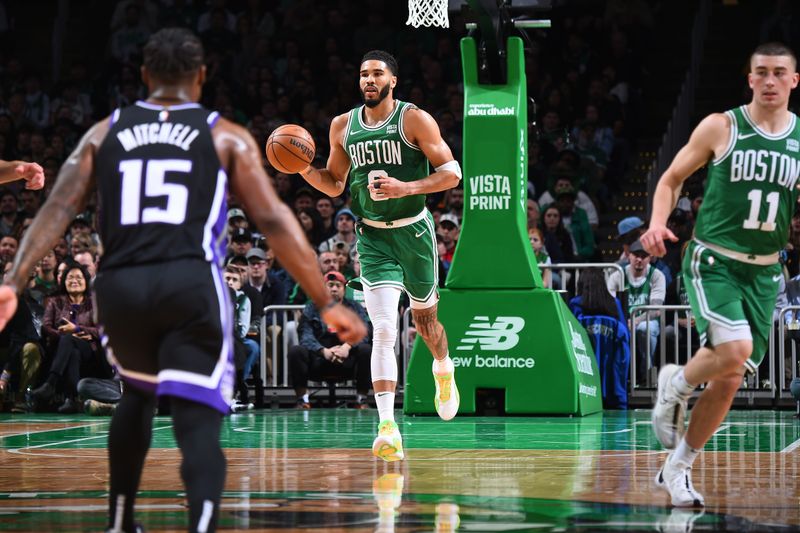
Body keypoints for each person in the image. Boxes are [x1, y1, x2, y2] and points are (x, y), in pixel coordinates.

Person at [0, 28, 366, 533]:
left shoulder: (104, 132)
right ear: (200, 77)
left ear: (145, 76)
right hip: (189, 282)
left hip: (121, 287)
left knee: (137, 395)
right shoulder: (225, 135)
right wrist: (327, 301)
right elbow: (278, 223)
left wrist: (14, 280)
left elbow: (59, 207)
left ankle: (121, 522)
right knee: (198, 414)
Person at [641, 42, 800, 508]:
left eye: (779, 73)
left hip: (766, 274)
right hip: (714, 262)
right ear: (749, 79)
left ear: (794, 80)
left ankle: (678, 468)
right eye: (761, 73)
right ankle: (675, 384)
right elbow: (671, 178)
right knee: (736, 350)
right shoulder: (722, 126)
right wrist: (656, 223)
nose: (770, 81)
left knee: (730, 377)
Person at [297, 49, 462, 462]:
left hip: (415, 234)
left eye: (376, 74)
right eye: (363, 74)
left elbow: (452, 172)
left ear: (393, 81)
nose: (368, 80)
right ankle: (388, 427)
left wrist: (405, 188)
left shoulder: (413, 119)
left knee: (426, 325)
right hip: (372, 239)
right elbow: (335, 185)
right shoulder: (342, 126)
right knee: (384, 329)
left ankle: (443, 367)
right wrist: (303, 169)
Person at [289, 270, 372, 409]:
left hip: (347, 360)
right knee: (296, 351)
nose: (334, 289)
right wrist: (323, 351)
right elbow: (305, 334)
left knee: (366, 350)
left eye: (338, 285)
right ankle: (303, 400)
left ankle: (361, 400)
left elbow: (364, 332)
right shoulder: (311, 308)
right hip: (320, 360)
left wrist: (347, 347)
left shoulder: (354, 308)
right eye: (330, 285)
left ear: (344, 289)